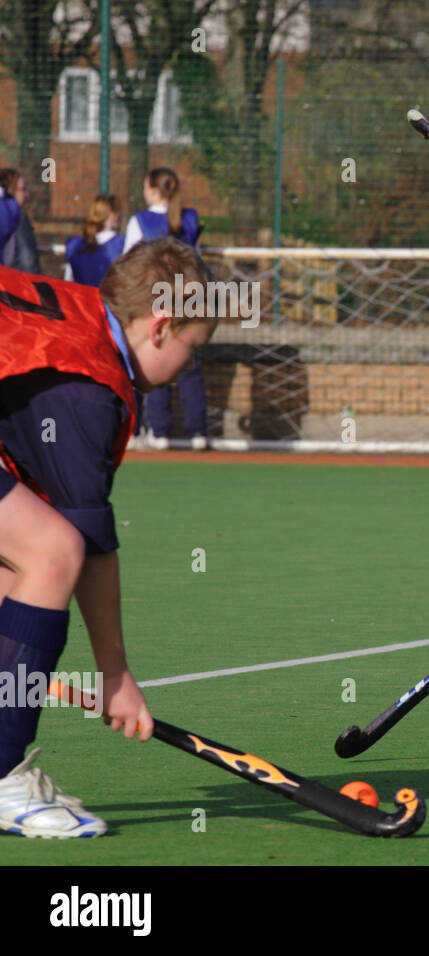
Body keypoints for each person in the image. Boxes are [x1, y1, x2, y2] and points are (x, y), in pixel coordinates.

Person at [0, 238, 216, 836]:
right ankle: (2, 779)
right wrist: (114, 676)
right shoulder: (85, 384)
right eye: (191, 353)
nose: (185, 373)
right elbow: (88, 548)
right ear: (162, 325)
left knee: (20, 567)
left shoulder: (78, 315)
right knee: (52, 552)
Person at [123, 168, 208, 450]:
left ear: (151, 189)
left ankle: (159, 432)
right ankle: (198, 433)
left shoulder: (140, 221)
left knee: (156, 362)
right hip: (188, 298)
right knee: (190, 366)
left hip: (155, 301)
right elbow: (197, 260)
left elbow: (129, 263)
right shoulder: (190, 218)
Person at [65, 195, 126, 288]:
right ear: (113, 215)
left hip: (81, 300)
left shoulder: (76, 245)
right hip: (109, 301)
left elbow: (68, 280)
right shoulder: (122, 244)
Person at [0, 169, 40, 275]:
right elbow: (28, 261)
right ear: (11, 190)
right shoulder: (17, 217)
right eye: (22, 189)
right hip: (13, 284)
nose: (26, 194)